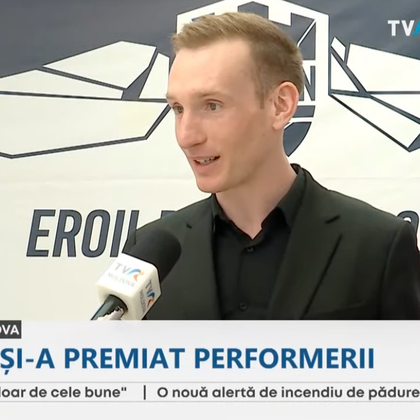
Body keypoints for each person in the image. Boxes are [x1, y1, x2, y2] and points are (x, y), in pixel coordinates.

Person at [123, 11, 420, 320]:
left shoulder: (378, 245)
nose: (186, 136)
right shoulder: (147, 258)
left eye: (212, 105)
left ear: (281, 105)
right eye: (178, 108)